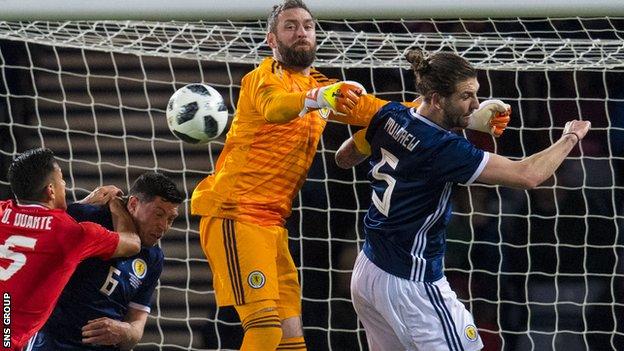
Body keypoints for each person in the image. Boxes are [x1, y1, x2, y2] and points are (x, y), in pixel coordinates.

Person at [334, 49, 591, 351]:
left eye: (475, 94)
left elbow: (343, 158)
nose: (476, 104)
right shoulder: (444, 149)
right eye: (466, 96)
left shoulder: (390, 114)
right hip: (412, 282)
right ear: (436, 97)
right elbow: (528, 175)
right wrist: (570, 138)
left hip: (368, 271)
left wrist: (467, 119)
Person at [189, 0, 374, 349]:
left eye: (307, 25)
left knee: (291, 341)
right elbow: (276, 108)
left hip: (273, 224)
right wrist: (319, 97)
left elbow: (379, 112)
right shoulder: (262, 79)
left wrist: (450, 112)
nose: (300, 32)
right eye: (290, 26)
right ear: (271, 39)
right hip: (236, 214)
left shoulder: (322, 88)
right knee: (264, 330)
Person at [0, 148, 141, 351]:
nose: (65, 186)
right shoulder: (72, 235)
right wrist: (115, 204)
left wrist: (83, 203)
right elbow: (133, 242)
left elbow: (37, 224)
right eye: (62, 181)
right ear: (50, 190)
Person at [27, 172, 183, 350]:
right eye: (158, 214)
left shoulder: (154, 258)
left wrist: (125, 331)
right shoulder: (87, 217)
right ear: (133, 203)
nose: (163, 226)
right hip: (52, 343)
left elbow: (136, 325)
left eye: (170, 219)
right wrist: (84, 202)